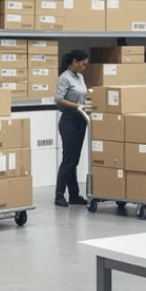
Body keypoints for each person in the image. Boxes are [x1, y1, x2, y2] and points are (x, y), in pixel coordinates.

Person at [55, 49, 90, 207]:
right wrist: (77, 106)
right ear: (74, 62)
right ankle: (59, 195)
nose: (84, 67)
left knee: (74, 160)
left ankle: (74, 195)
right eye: (82, 64)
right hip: (69, 120)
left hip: (80, 119)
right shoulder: (64, 78)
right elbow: (58, 99)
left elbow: (83, 95)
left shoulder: (80, 77)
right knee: (68, 160)